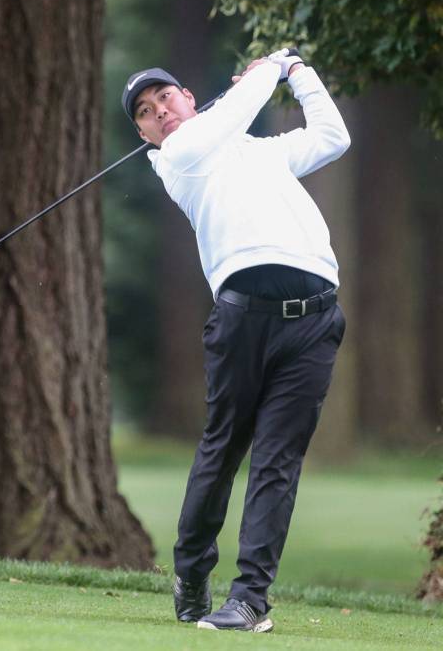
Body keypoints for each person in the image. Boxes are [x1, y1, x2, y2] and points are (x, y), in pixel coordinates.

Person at [121, 49, 350, 631]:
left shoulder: (262, 152)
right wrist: (271, 66)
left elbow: (332, 136)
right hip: (242, 320)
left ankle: (249, 600)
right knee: (223, 450)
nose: (160, 113)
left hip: (315, 321)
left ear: (189, 97)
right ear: (148, 136)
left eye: (165, 97)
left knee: (277, 461)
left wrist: (298, 72)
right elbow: (234, 114)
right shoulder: (177, 159)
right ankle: (192, 572)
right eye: (146, 113)